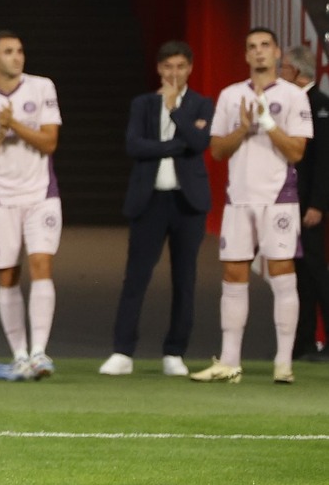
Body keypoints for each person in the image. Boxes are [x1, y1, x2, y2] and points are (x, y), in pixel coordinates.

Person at [191, 29, 312, 385]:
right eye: (252, 47)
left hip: (278, 198)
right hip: (239, 198)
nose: (259, 53)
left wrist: (269, 124)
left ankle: (283, 362)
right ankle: (229, 361)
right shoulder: (231, 95)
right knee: (233, 275)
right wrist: (243, 129)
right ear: (245, 56)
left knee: (282, 272)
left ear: (276, 53)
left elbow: (296, 152)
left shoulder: (293, 97)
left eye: (265, 46)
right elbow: (217, 150)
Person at [99, 41, 213, 378]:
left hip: (187, 202)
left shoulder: (202, 104)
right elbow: (134, 145)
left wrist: (176, 111)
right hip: (149, 201)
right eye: (167, 67)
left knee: (185, 280)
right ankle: (122, 351)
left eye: (180, 67)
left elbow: (200, 144)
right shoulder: (143, 104)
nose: (174, 73)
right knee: (135, 277)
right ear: (159, 69)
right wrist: (175, 144)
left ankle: (175, 353)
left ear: (190, 68)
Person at [0, 31, 62, 381]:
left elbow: (50, 142)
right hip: (2, 196)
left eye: (20, 50)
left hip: (41, 193)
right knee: (8, 273)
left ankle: (39, 353)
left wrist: (14, 123)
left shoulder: (42, 87)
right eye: (8, 51)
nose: (17, 57)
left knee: (41, 263)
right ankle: (19, 355)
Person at [278, 46, 329, 362]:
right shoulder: (295, 103)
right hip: (290, 202)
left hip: (309, 205)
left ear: (297, 72)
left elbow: (324, 161)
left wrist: (317, 205)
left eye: (283, 67)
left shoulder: (320, 105)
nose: (280, 73)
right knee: (299, 273)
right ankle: (304, 340)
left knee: (315, 270)